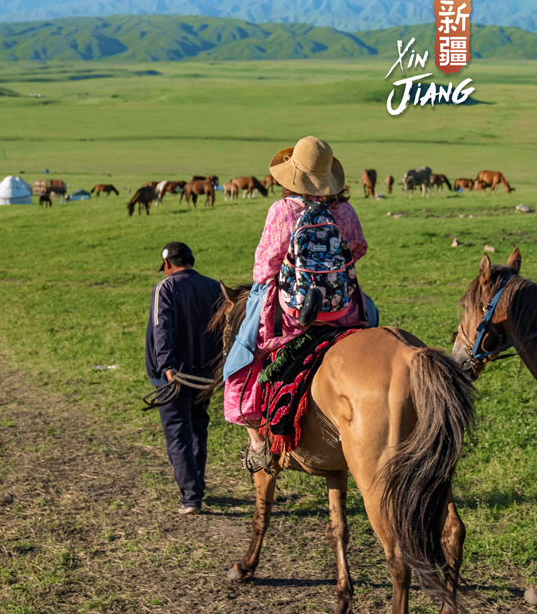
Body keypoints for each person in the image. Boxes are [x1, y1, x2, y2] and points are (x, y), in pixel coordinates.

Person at [223, 136, 371, 472]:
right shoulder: (344, 209)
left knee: (242, 357)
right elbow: (358, 248)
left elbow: (264, 268)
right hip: (343, 311)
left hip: (292, 315)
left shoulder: (283, 210)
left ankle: (258, 443)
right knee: (374, 322)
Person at [145, 241, 224, 514]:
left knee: (178, 434)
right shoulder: (214, 286)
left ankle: (191, 497)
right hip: (205, 374)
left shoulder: (165, 288)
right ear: (191, 260)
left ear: (167, 264)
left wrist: (166, 364)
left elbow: (161, 327)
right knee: (198, 429)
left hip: (175, 375)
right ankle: (196, 486)